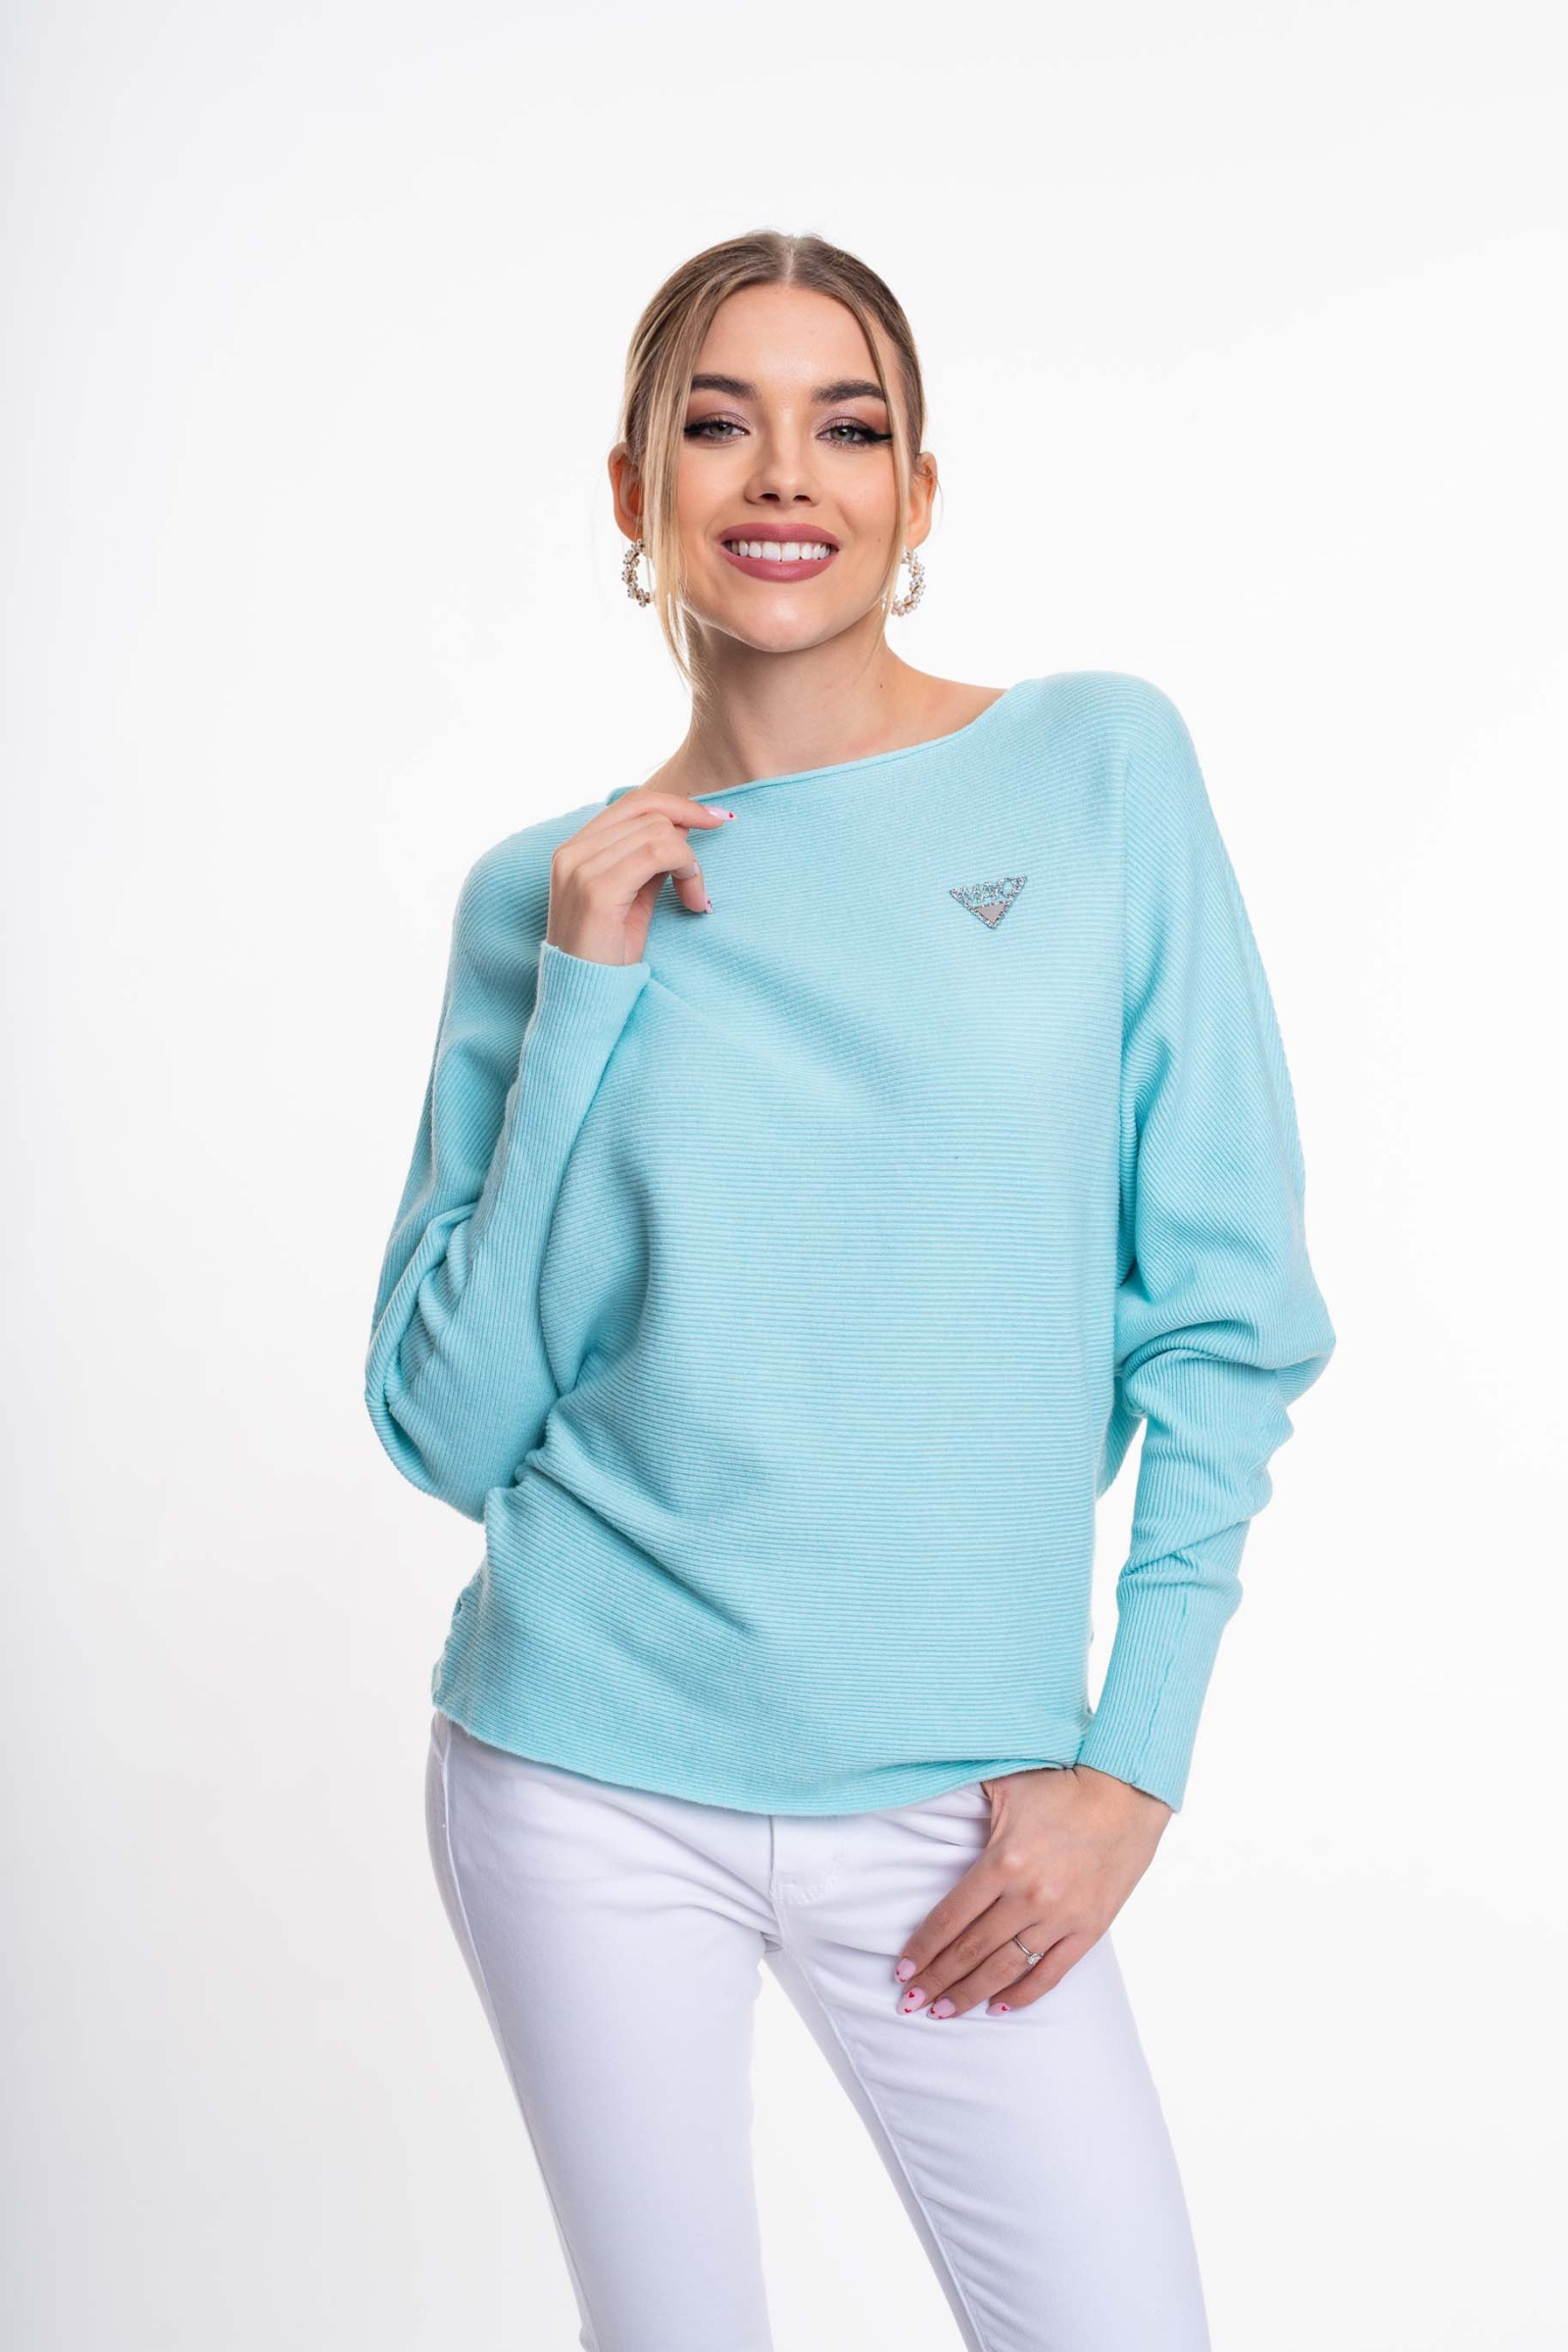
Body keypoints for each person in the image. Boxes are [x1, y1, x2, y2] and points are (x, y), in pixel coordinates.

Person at [364, 228, 1336, 2352]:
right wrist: (584, 993)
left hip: (959, 1801)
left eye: (849, 425)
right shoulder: (545, 894)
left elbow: (1229, 1310)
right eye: (718, 422)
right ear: (634, 491)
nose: (783, 473)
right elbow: (448, 1425)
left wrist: (1131, 1762)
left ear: (917, 491)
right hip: (580, 1774)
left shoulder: (1097, 768)